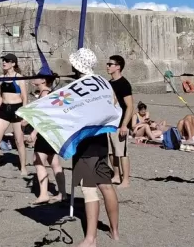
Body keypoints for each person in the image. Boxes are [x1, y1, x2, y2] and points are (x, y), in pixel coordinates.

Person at [69, 48, 119, 247]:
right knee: (106, 185)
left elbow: (72, 112)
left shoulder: (79, 85)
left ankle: (91, 239)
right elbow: (114, 104)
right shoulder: (103, 82)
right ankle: (114, 232)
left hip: (86, 141)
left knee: (89, 189)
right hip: (101, 139)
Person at [27, 72, 66, 204]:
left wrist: (34, 132)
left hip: (45, 132)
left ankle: (44, 194)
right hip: (53, 132)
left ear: (43, 80)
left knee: (38, 161)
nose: (34, 78)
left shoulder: (44, 94)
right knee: (55, 163)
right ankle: (62, 193)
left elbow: (43, 116)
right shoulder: (54, 93)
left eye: (37, 76)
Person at [0, 53, 28, 176]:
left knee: (19, 141)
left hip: (17, 110)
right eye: (3, 60)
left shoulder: (20, 78)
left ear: (13, 63)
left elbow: (25, 97)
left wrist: (24, 115)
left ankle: (23, 167)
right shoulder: (1, 78)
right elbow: (0, 96)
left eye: (7, 61)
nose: (4, 62)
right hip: (4, 109)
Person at [106, 55, 133, 188]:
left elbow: (129, 106)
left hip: (120, 123)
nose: (107, 66)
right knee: (111, 152)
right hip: (110, 123)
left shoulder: (124, 84)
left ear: (118, 66)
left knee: (122, 152)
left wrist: (124, 125)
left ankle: (126, 179)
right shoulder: (109, 83)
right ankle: (116, 175)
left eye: (110, 64)